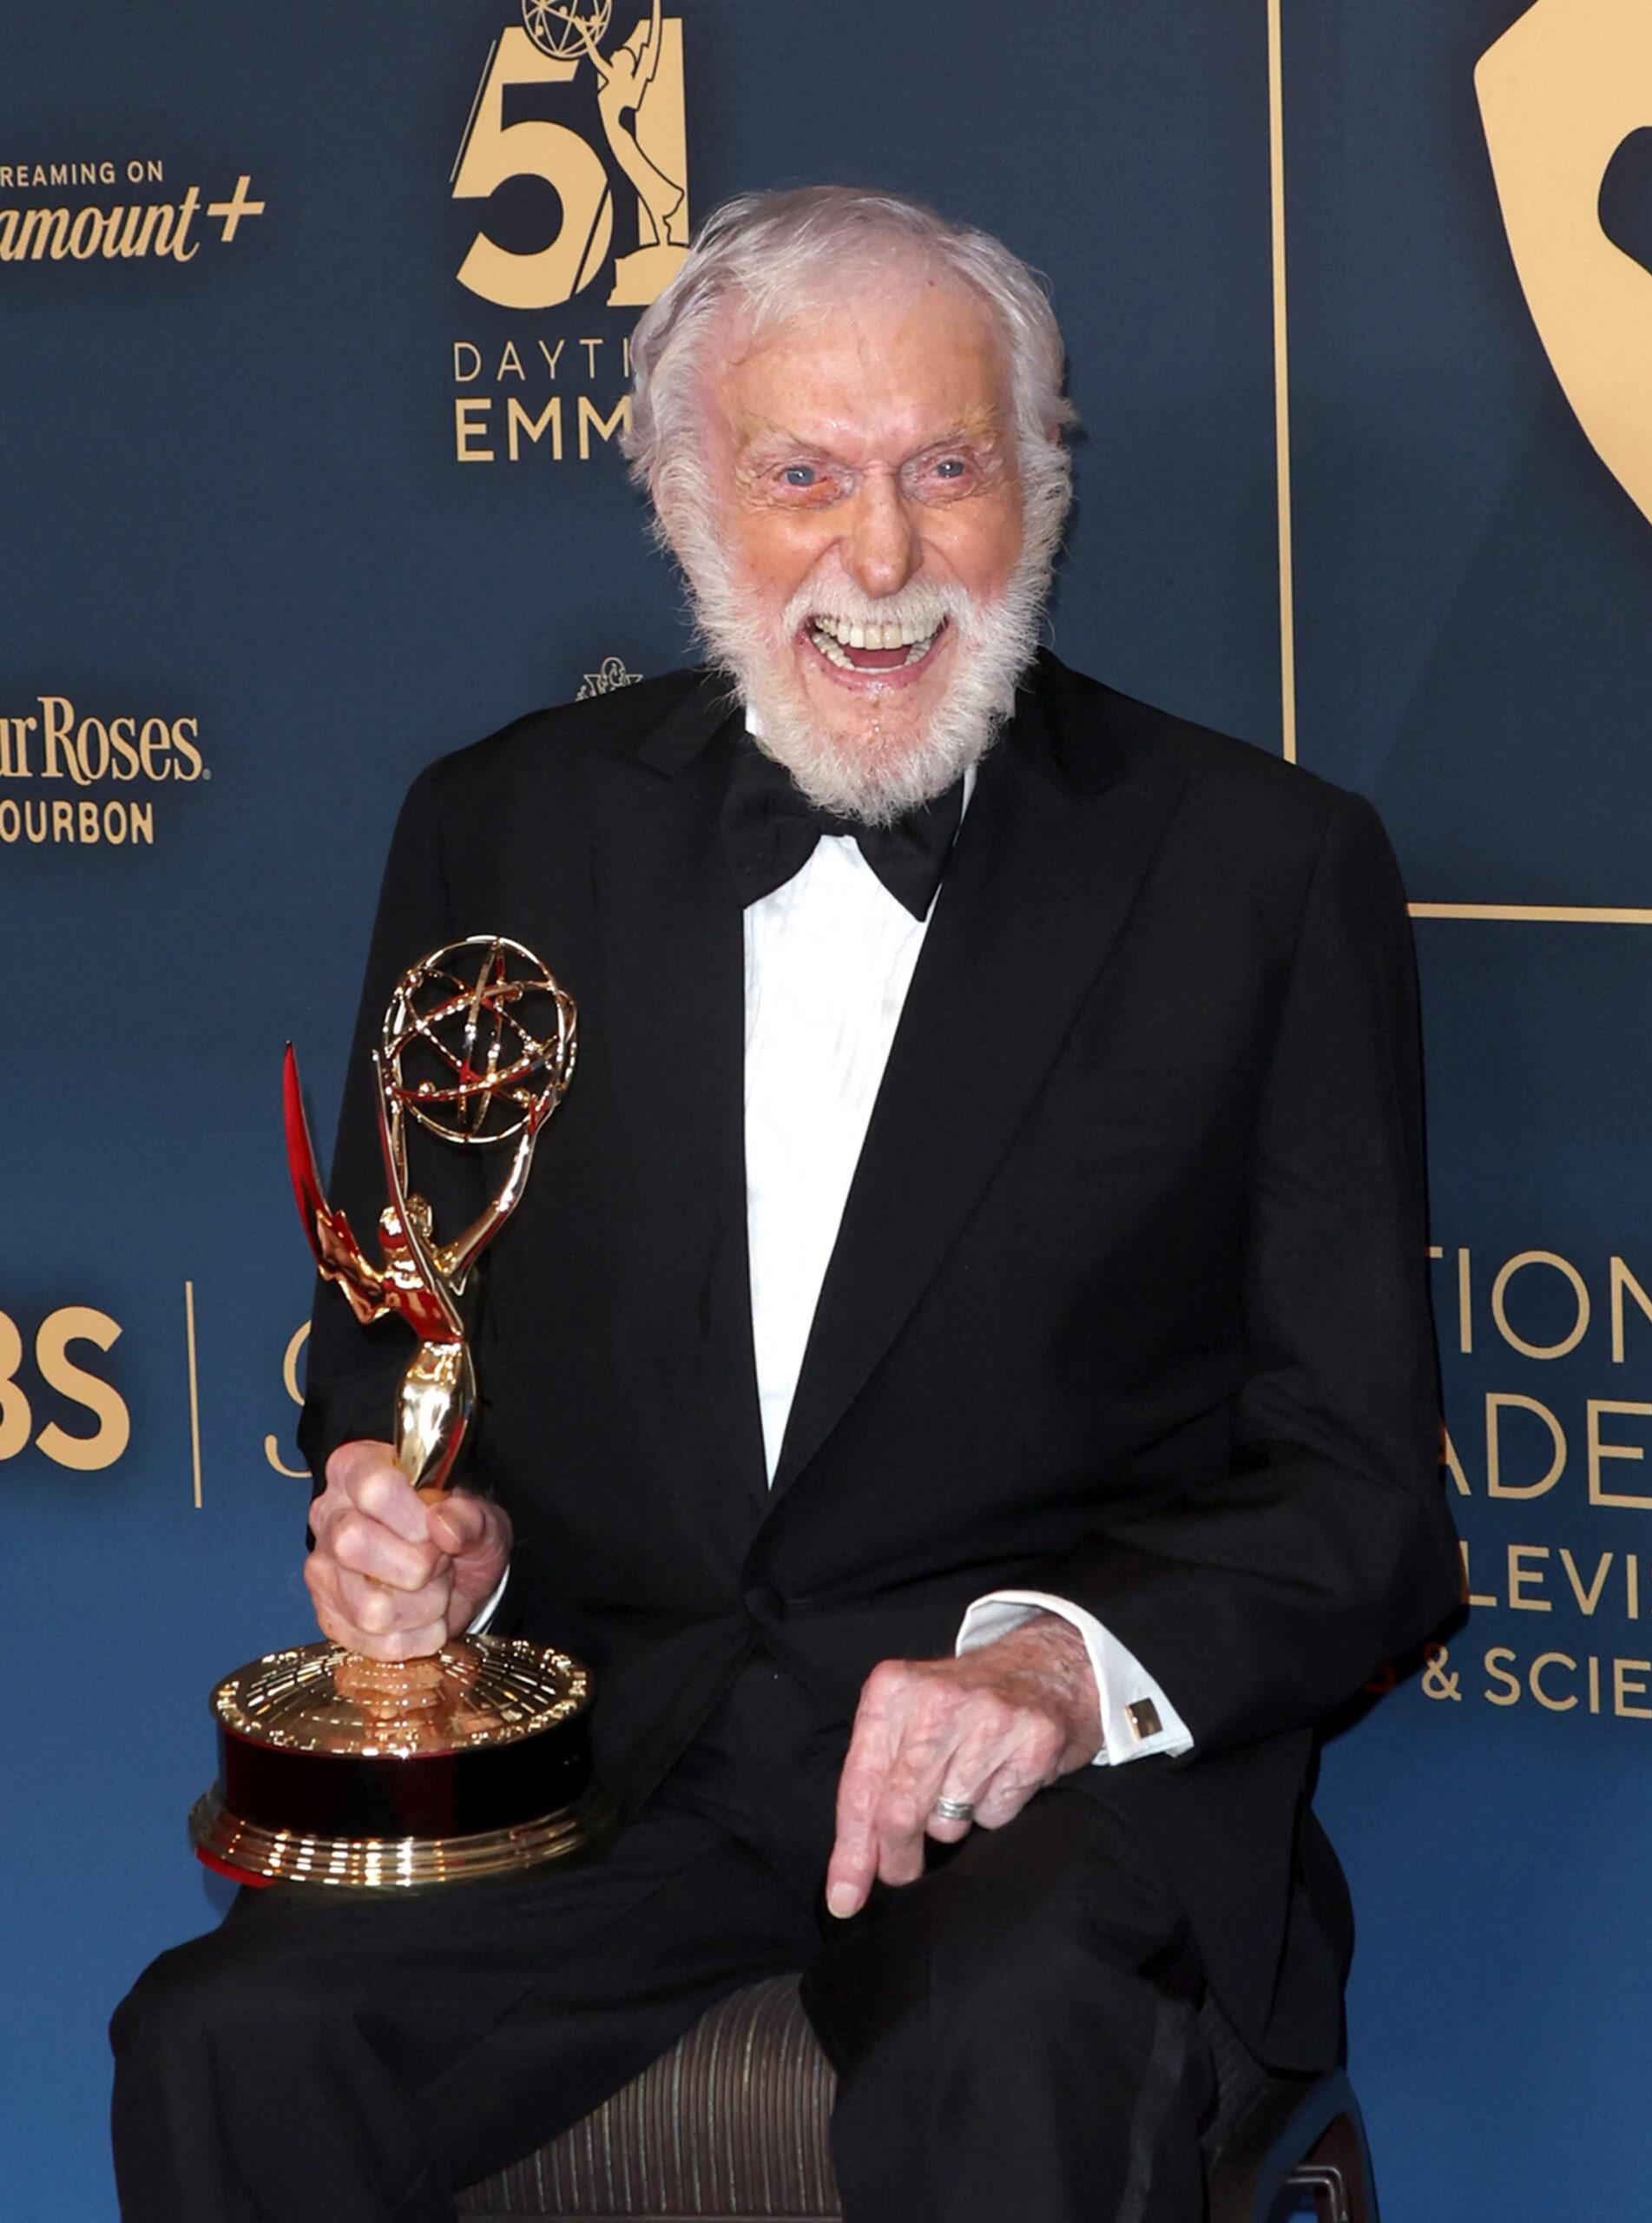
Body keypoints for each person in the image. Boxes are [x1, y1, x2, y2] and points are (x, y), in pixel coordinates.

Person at [111, 186, 1462, 2223]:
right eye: (802, 475)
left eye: (946, 466)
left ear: (1042, 481)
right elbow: (401, 1322)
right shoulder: (497, 828)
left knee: (1008, 2046)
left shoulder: (1258, 874)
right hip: (613, 1755)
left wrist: (1048, 1667)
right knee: (225, 2037)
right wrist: (435, 1535)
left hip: (1029, 1794)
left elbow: (1364, 1500)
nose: (884, 555)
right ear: (678, 504)